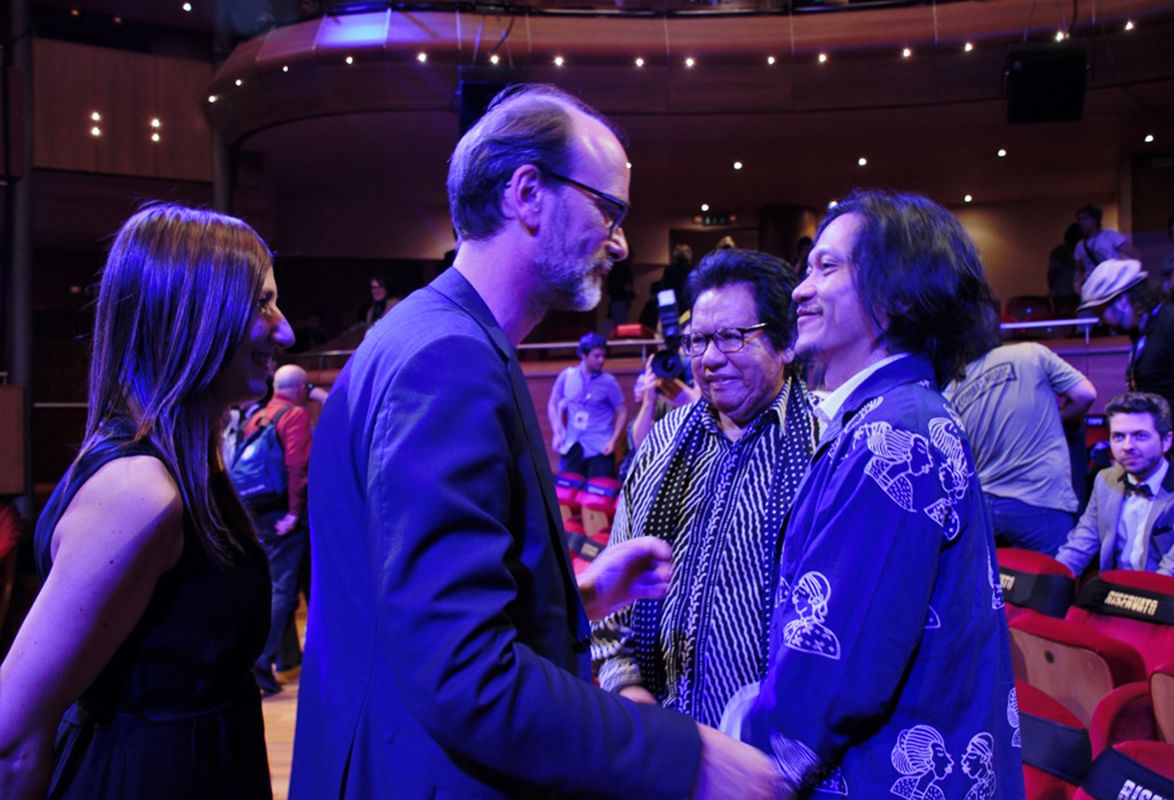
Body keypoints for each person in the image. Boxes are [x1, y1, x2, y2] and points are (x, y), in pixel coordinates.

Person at [291, 83, 784, 800]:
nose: (619, 242)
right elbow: (464, 676)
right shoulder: (447, 359)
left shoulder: (420, 334)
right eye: (607, 210)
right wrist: (687, 757)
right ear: (527, 194)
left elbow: (408, 605)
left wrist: (571, 594)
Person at [731, 190, 1024, 795]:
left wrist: (741, 752)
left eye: (827, 267)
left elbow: (835, 661)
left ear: (896, 299)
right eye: (806, 268)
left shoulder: (894, 432)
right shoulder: (889, 416)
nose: (800, 291)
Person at [0, 203, 294, 798]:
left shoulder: (180, 463)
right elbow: (12, 733)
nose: (284, 329)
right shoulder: (140, 490)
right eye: (263, 302)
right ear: (193, 316)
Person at [592, 248, 815, 727]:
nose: (710, 359)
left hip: (782, 754)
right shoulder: (664, 442)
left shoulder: (827, 444)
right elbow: (612, 610)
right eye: (697, 341)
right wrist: (633, 697)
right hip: (665, 745)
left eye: (732, 338)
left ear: (786, 342)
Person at [946, 341, 1097, 554]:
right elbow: (1085, 395)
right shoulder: (1032, 353)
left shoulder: (953, 384)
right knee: (1050, 584)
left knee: (993, 585)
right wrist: (1061, 419)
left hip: (984, 506)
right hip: (1040, 500)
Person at [1055, 392, 1174, 583]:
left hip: (1168, 602)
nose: (1127, 446)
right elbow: (1080, 544)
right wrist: (1048, 580)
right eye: (1118, 436)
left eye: (1140, 436)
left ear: (1166, 441)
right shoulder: (1105, 480)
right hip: (1114, 593)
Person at [237, 363, 312, 695]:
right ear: (299, 389)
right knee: (283, 589)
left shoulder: (258, 417)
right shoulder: (294, 416)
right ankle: (260, 661)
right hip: (283, 512)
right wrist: (295, 512)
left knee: (273, 585)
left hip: (256, 511)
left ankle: (283, 659)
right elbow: (298, 466)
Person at [1079, 258, 1174, 461]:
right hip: (1166, 458)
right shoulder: (1143, 333)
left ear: (1122, 301)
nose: (1100, 320)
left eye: (1101, 311)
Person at [548, 332, 627, 479]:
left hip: (600, 447)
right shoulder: (567, 376)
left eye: (603, 356)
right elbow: (553, 404)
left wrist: (613, 440)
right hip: (572, 444)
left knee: (597, 498)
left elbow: (622, 411)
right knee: (567, 495)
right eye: (596, 356)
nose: (602, 360)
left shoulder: (609, 382)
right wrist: (557, 432)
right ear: (583, 355)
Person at [1074, 204, 1139, 289]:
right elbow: (1079, 269)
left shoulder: (1110, 235)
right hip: (1092, 287)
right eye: (1079, 219)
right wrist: (1077, 284)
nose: (1081, 223)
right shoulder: (1080, 245)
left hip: (1113, 283)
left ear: (1095, 220)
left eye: (1085, 218)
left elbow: (1136, 255)